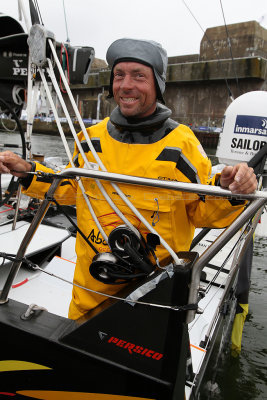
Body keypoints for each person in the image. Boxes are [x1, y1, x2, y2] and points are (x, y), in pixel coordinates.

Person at [0, 38, 257, 320]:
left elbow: (203, 212)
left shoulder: (181, 146)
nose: (126, 85)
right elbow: (70, 190)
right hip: (86, 296)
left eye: (139, 76)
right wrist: (26, 170)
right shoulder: (90, 140)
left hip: (151, 300)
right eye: (119, 75)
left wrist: (231, 189)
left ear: (157, 85)